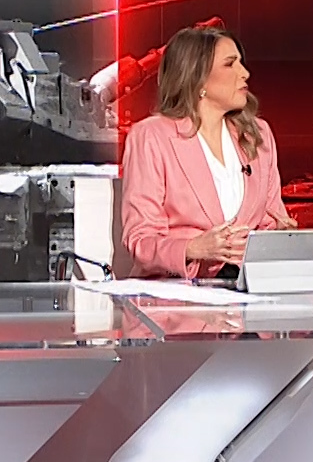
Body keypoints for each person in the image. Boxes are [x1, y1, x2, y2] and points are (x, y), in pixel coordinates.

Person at [119, 24, 296, 279]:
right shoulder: (151, 137)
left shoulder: (258, 135)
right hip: (174, 293)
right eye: (230, 64)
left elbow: (271, 220)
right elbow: (140, 239)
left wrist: (282, 234)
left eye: (241, 63)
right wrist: (194, 249)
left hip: (245, 289)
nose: (245, 73)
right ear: (198, 78)